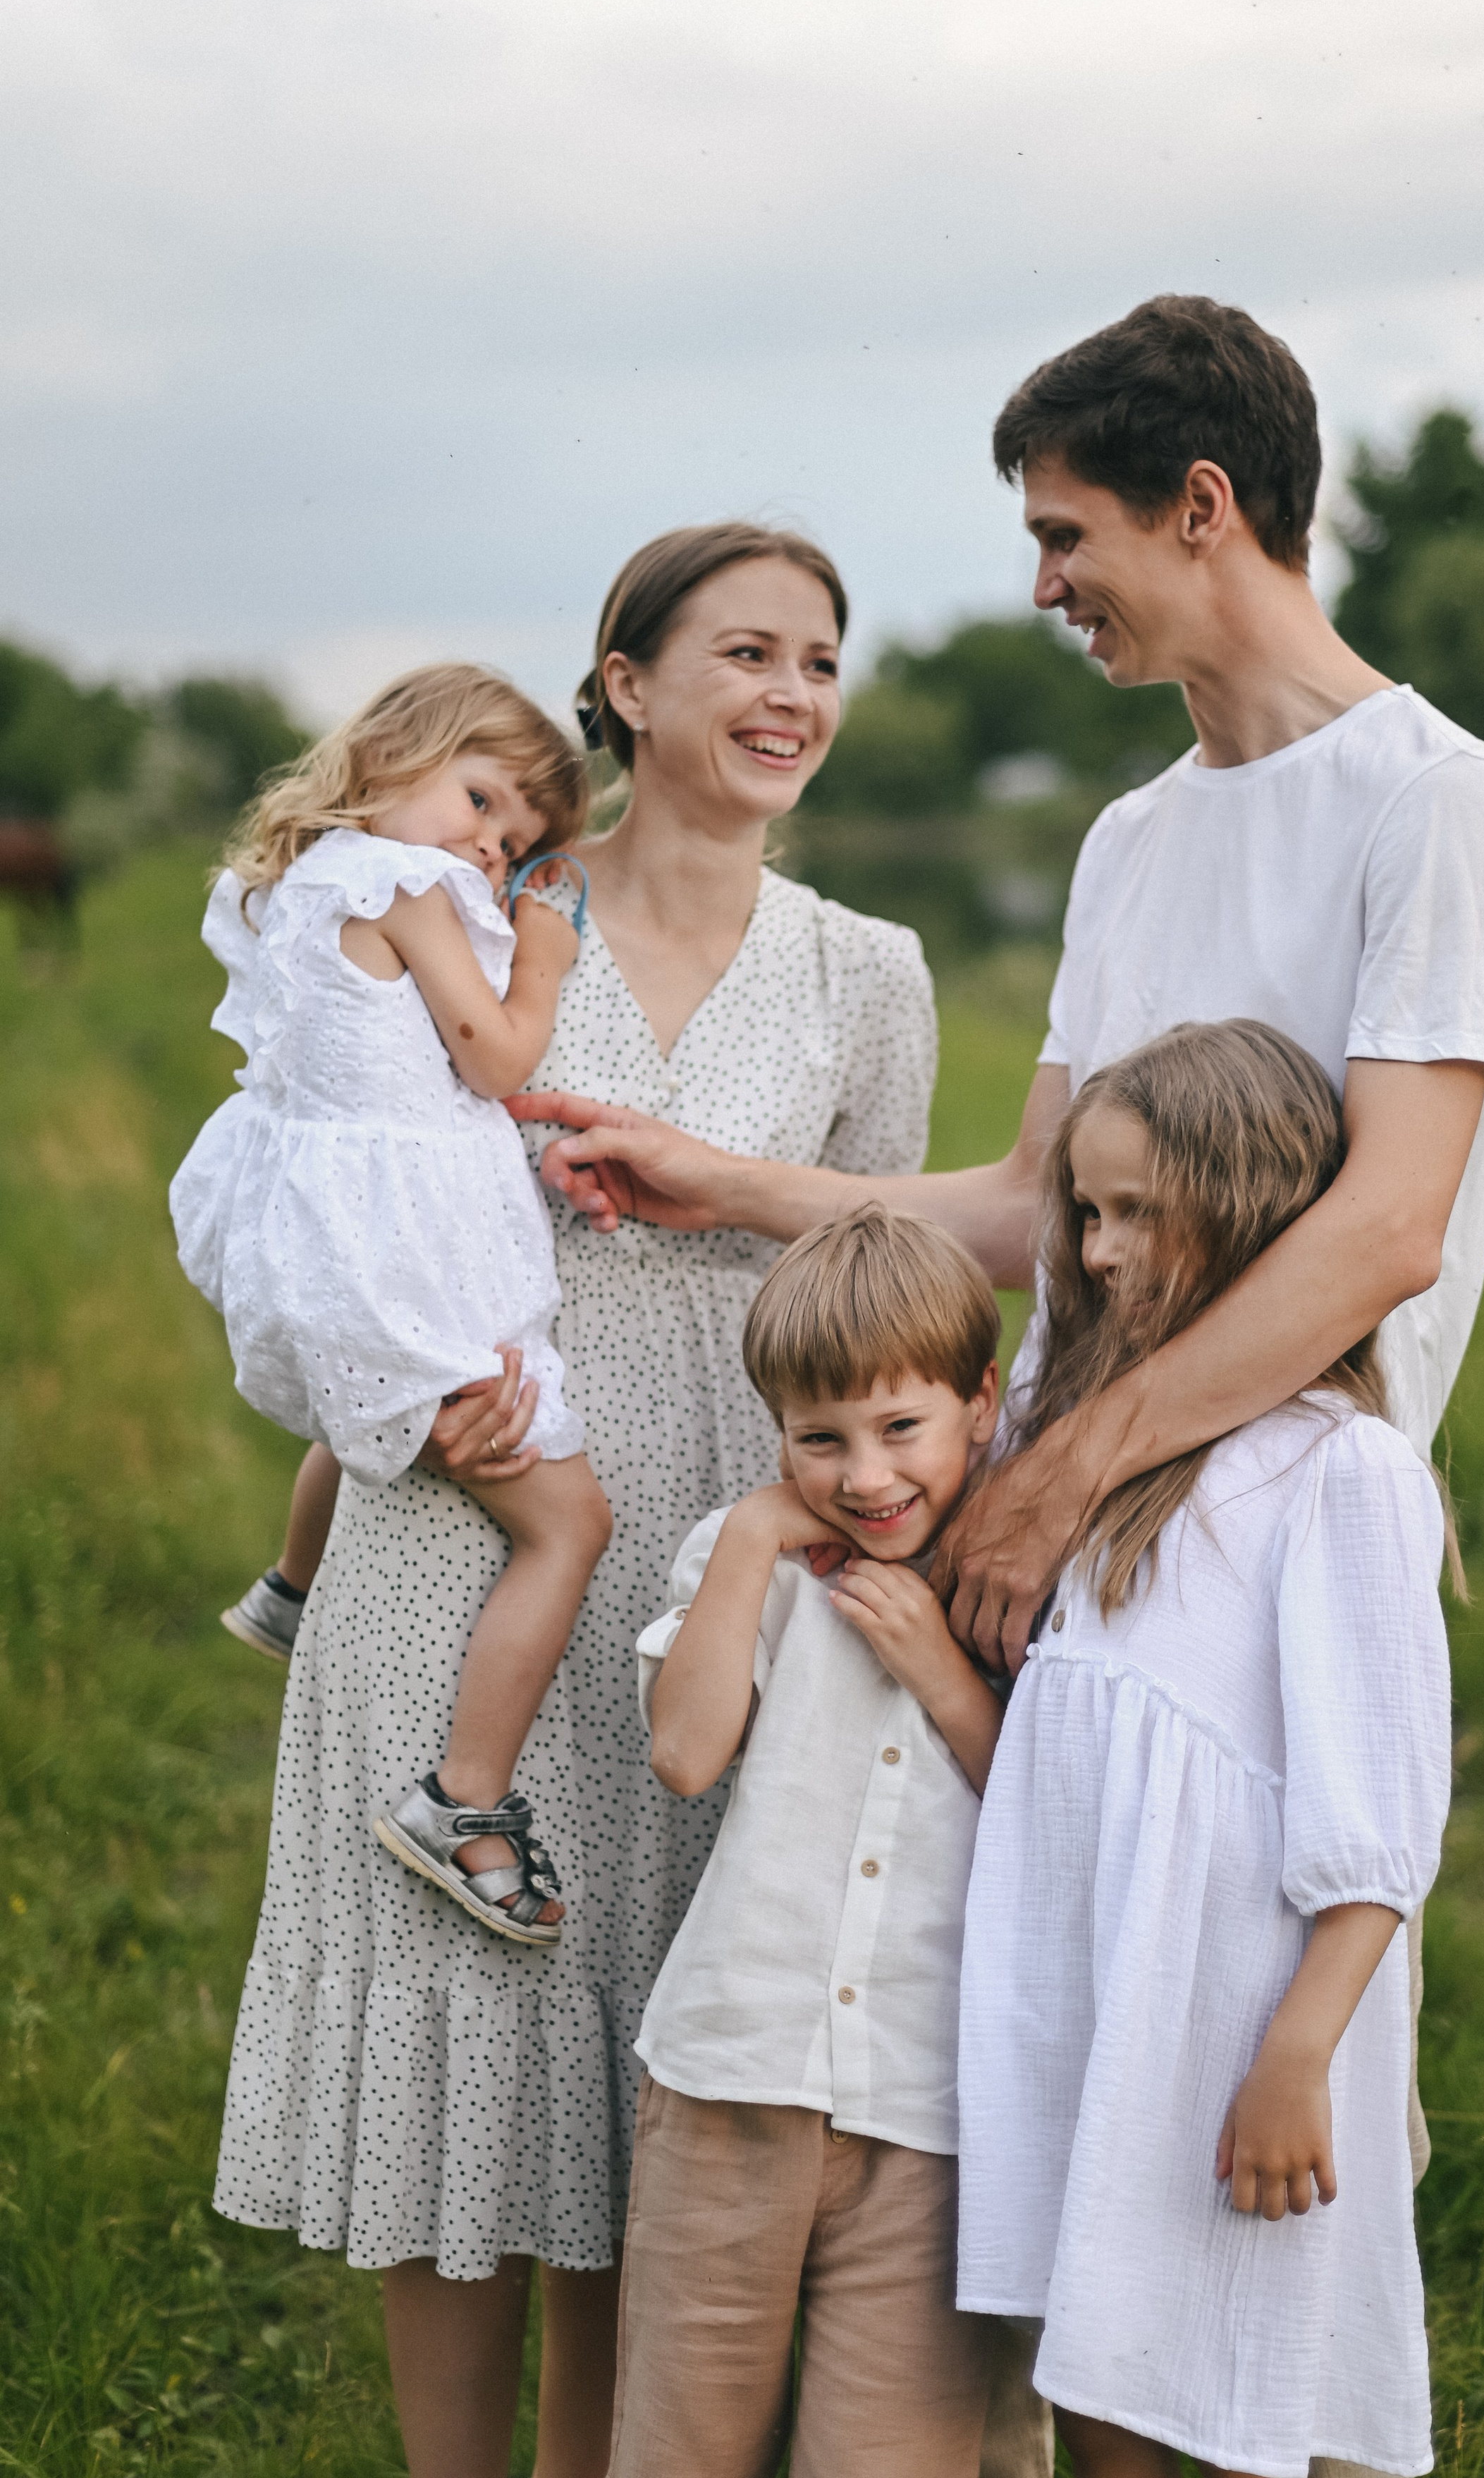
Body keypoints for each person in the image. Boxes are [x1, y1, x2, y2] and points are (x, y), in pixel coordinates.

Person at [513, 293, 1484, 2230]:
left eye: (1068, 533)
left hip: (1261, 1543)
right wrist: (719, 1182)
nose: (1047, 581)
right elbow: (1029, 1209)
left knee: (1277, 2129)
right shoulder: (1135, 838)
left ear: (1204, 507)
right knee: (1081, 2110)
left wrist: (1061, 1472)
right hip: (1070, 1554)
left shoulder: (1435, 796)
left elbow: (1391, 1225)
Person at [209, 525, 940, 2478]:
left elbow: (897, 1322)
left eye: (821, 660)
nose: (793, 695)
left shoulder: (872, 975)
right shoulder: (461, 900)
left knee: (664, 2074)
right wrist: (375, 1381)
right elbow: (292, 1170)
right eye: (746, 653)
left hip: (727, 1548)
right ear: (622, 683)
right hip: (476, 1516)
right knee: (469, 2047)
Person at [958, 1020, 1452, 2477]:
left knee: (1245, 2373)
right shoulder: (1091, 1458)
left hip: (1235, 2022)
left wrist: (1298, 2047)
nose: (1098, 1254)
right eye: (1087, 1214)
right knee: (1102, 2354)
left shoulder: (1334, 1468)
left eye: (1137, 1216)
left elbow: (1377, 1806)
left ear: (1245, 1207)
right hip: (1101, 2004)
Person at [171, 664, 613, 1938]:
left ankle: (290, 1586)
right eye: (482, 802)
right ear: (396, 752)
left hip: (328, 1242)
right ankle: (463, 1801)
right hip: (395, 1253)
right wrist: (544, 954)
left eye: (514, 843)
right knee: (568, 1524)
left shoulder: (286, 886)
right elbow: (497, 1057)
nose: (489, 846)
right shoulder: (406, 885)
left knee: (353, 1395)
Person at [613, 1204, 1008, 2477]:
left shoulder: (1018, 1581)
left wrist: (942, 1671)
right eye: (818, 1440)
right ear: (778, 1433)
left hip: (926, 2109)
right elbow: (684, 1756)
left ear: (982, 1404)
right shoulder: (761, 1567)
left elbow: (1050, 1813)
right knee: (683, 2446)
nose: (864, 1475)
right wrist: (745, 1539)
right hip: (736, 2072)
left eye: (903, 1428)